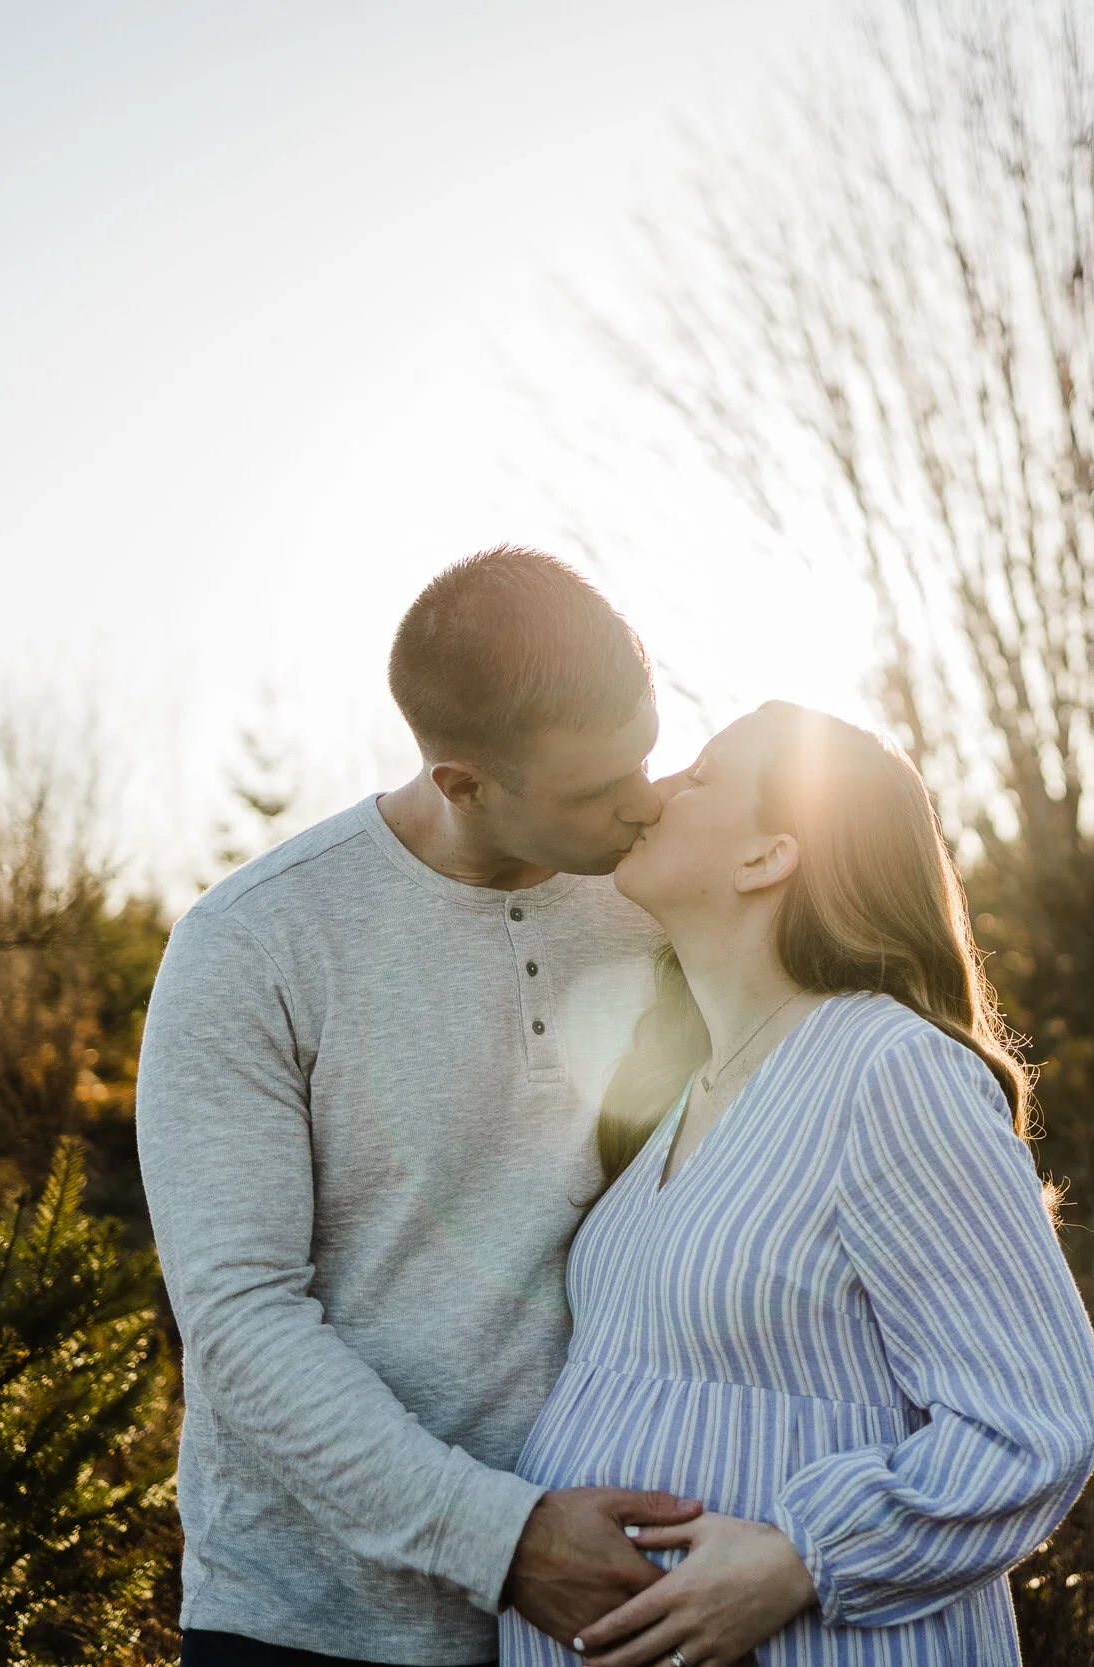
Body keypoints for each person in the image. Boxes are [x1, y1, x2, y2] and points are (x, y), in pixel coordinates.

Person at [137, 547, 703, 1667]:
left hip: (604, 1611)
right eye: (596, 791)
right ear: (463, 781)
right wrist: (504, 1539)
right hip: (312, 1622)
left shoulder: (662, 900)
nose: (643, 803)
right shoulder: (253, 945)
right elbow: (242, 1318)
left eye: (647, 754)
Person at [497, 702, 1094, 1667]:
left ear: (766, 858)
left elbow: (1037, 1419)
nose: (653, 793)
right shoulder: (684, 1087)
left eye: (698, 777)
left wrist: (802, 1558)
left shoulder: (886, 1066)